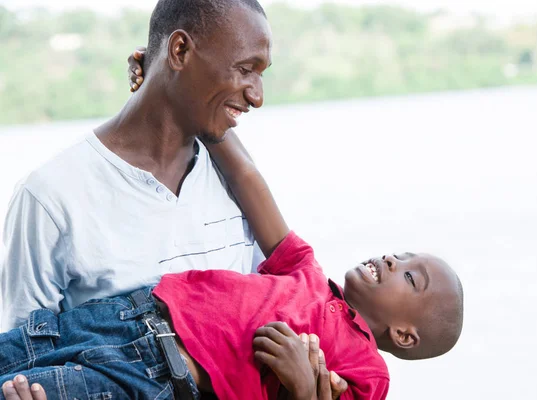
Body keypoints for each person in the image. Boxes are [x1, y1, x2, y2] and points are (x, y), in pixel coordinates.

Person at [2, 0, 347, 397]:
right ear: (180, 51)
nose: (257, 96)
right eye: (245, 69)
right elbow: (26, 361)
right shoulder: (50, 196)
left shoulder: (236, 184)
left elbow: (256, 347)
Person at [0, 129, 464, 399]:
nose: (390, 257)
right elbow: (248, 178)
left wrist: (302, 388)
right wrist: (208, 116)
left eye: (410, 275)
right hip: (124, 315)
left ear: (405, 334)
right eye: (400, 252)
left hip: (154, 378)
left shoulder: (368, 373)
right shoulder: (306, 272)